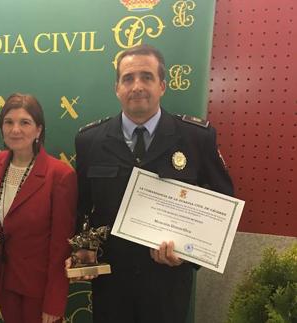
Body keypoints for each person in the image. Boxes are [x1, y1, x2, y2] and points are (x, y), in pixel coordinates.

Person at [66, 44, 234, 323]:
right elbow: (82, 205)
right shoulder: (89, 141)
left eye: (147, 77)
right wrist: (82, 247)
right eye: (128, 78)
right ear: (117, 87)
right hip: (111, 285)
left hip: (167, 283)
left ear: (163, 85)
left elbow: (221, 206)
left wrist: (188, 254)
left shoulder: (196, 138)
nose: (137, 86)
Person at [0, 93, 77, 323]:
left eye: (25, 122)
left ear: (38, 130)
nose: (15, 129)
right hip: (3, 281)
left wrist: (54, 301)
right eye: (9, 122)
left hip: (38, 290)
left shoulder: (60, 175)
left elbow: (61, 245)